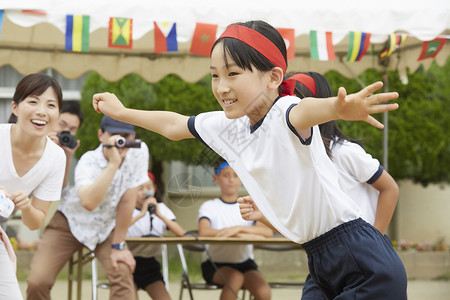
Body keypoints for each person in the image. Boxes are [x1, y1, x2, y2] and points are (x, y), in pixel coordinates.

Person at [92, 20, 407, 299]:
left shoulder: (286, 111)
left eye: (233, 73)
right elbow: (174, 125)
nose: (221, 87)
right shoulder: (229, 126)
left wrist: (339, 108)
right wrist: (122, 112)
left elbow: (308, 109)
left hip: (360, 259)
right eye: (215, 75)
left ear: (273, 77)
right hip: (320, 259)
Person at [241, 72, 401, 299]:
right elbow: (304, 227)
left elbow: (390, 188)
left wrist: (376, 238)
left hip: (362, 257)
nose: (288, 109)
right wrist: (264, 214)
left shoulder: (343, 152)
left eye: (297, 102)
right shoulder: (298, 163)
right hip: (325, 264)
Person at [26, 116, 149, 300]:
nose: (119, 141)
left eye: (125, 136)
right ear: (101, 135)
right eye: (114, 134)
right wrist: (113, 164)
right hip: (69, 223)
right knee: (38, 280)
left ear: (133, 136)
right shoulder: (88, 161)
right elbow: (89, 203)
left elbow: (127, 200)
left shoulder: (138, 151)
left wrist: (119, 245)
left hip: (105, 227)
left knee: (123, 279)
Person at [0, 73, 66, 300]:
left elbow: (36, 220)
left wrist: (26, 207)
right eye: (33, 101)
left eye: (51, 105)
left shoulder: (56, 157)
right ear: (15, 107)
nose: (42, 111)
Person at [198, 159, 272, 300]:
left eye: (236, 175)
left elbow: (267, 232)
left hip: (245, 263)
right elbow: (204, 232)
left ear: (242, 179)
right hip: (215, 264)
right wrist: (244, 232)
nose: (231, 180)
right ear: (216, 179)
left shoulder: (249, 204)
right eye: (226, 175)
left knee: (264, 292)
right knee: (234, 278)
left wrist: (236, 230)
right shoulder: (209, 206)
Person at [127, 171, 185, 300]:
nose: (145, 192)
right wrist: (142, 213)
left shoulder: (161, 208)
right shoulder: (126, 208)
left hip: (149, 264)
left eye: (148, 187)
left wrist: (159, 215)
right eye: (140, 188)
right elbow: (117, 231)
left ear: (154, 188)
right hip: (128, 263)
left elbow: (181, 233)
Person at [47, 100, 84, 191]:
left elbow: (61, 191)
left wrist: (68, 157)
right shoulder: (34, 141)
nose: (66, 131)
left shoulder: (63, 154)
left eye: (72, 129)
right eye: (62, 125)